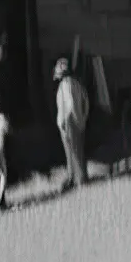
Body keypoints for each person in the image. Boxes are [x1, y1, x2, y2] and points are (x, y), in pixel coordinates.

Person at [54, 57, 92, 193]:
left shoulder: (65, 84)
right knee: (78, 150)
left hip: (69, 122)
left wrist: (64, 122)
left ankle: (78, 179)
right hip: (78, 120)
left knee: (72, 151)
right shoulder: (77, 83)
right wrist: (83, 117)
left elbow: (68, 104)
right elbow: (86, 101)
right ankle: (79, 177)